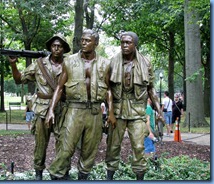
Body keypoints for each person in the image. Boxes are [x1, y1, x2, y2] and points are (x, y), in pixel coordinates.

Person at [45, 29, 116, 180]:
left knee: (90, 151)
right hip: (74, 109)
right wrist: (51, 110)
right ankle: (56, 174)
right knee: (66, 148)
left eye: (87, 40)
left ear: (95, 43)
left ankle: (83, 178)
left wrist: (110, 112)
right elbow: (59, 87)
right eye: (82, 40)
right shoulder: (69, 61)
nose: (83, 43)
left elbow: (109, 89)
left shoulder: (105, 63)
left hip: (95, 111)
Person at [8, 34, 71, 180]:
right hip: (42, 110)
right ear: (50, 47)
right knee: (40, 144)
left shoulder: (70, 64)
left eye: (60, 46)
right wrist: (13, 64)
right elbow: (19, 80)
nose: (56, 48)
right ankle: (38, 174)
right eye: (54, 45)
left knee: (64, 144)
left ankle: (62, 172)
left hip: (63, 110)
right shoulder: (39, 64)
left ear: (64, 49)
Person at [105, 31, 163, 180]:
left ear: (135, 44)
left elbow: (151, 89)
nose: (124, 45)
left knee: (139, 147)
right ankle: (109, 177)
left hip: (137, 111)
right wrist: (110, 112)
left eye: (128, 42)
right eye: (122, 42)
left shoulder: (146, 63)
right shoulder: (112, 62)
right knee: (113, 146)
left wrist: (159, 110)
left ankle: (139, 178)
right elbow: (108, 88)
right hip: (117, 110)